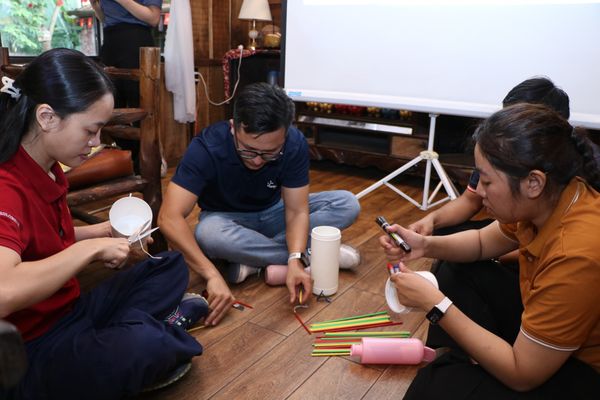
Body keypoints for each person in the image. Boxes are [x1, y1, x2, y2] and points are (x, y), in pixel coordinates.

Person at [0, 48, 207, 400]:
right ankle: (152, 333)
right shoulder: (7, 187)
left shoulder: (46, 166)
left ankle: (127, 333)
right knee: (144, 345)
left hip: (71, 309)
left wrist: (100, 233)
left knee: (169, 265)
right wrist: (92, 249)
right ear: (47, 117)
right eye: (91, 130)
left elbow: (40, 242)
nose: (96, 143)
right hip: (32, 348)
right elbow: (5, 292)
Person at [380, 103, 600, 399]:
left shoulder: (576, 254)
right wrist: (425, 245)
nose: (478, 192)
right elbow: (482, 242)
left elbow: (523, 375)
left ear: (533, 182)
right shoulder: (548, 200)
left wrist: (436, 305)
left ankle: (464, 369)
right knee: (456, 268)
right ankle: (466, 362)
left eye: (486, 181)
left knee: (438, 385)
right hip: (549, 344)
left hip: (584, 373)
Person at [158, 82, 361, 326]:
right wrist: (211, 275)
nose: (257, 161)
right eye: (248, 150)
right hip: (225, 219)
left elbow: (296, 211)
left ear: (285, 134)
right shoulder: (206, 147)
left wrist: (295, 258)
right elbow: (168, 217)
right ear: (233, 127)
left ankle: (255, 262)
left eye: (270, 153)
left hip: (275, 212)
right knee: (208, 233)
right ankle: (319, 256)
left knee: (347, 203)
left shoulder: (294, 143)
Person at [409, 77, 571, 237]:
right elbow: (471, 200)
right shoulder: (498, 153)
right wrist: (431, 220)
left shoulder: (570, 178)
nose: (481, 190)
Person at [90, 0, 163, 173]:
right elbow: (105, 18)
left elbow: (153, 18)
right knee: (110, 107)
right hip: (110, 41)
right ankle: (128, 159)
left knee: (141, 107)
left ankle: (147, 163)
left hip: (135, 39)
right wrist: (96, 6)